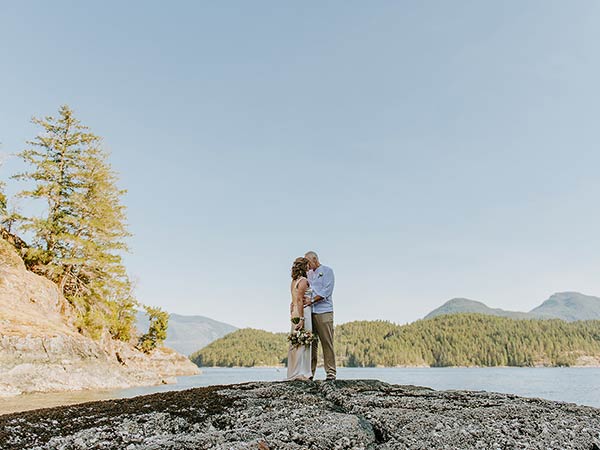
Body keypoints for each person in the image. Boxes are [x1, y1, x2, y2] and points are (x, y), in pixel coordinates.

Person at [304, 251, 336, 381]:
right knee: (311, 343)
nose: (307, 264)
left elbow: (326, 291)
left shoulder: (327, 271)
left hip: (324, 311)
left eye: (308, 261)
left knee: (327, 342)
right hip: (310, 312)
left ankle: (331, 372)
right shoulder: (308, 274)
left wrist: (311, 300)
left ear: (315, 259)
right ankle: (310, 372)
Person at [286, 257, 313, 380]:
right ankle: (302, 373)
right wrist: (302, 319)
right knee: (304, 341)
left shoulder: (293, 281)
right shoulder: (303, 281)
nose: (309, 267)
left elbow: (293, 301)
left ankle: (293, 372)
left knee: (296, 342)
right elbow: (299, 300)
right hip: (303, 312)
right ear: (304, 267)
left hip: (294, 312)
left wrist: (293, 313)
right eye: (307, 265)